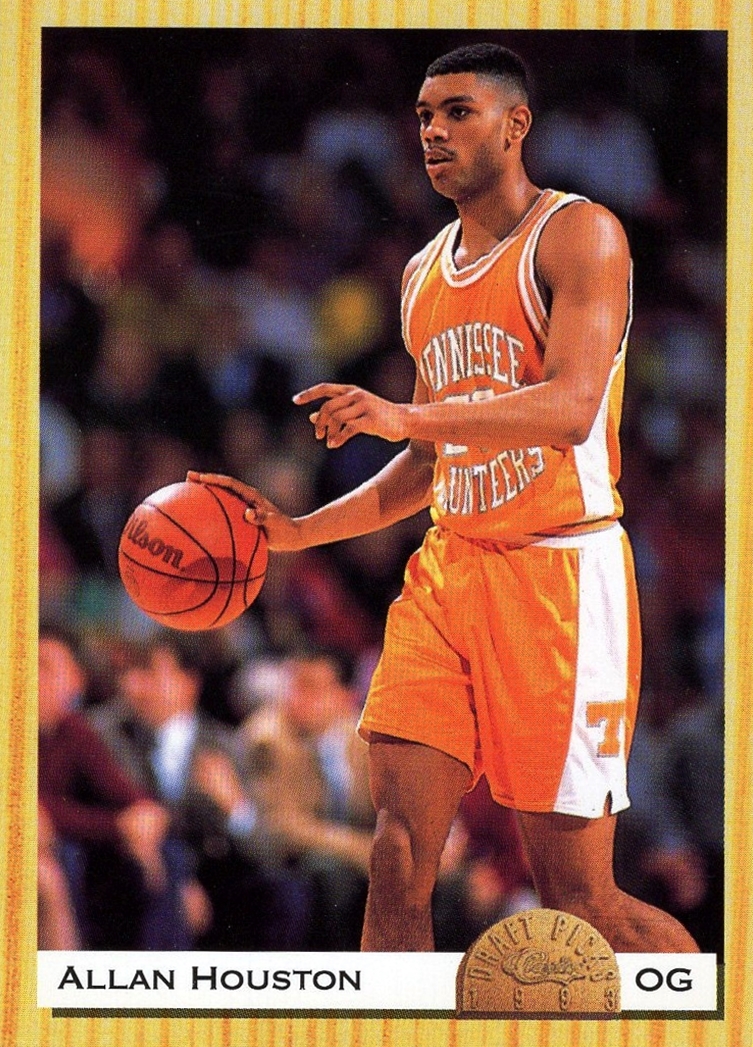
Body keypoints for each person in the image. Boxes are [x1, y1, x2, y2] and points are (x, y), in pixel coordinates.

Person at [188, 43, 699, 954]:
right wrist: (297, 531)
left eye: (457, 111)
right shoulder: (422, 273)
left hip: (558, 577)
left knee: (579, 903)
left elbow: (570, 408)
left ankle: (707, 1008)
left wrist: (403, 413)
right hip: (447, 572)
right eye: (424, 115)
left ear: (515, 124)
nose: (432, 130)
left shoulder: (579, 235)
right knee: (394, 856)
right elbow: (428, 464)